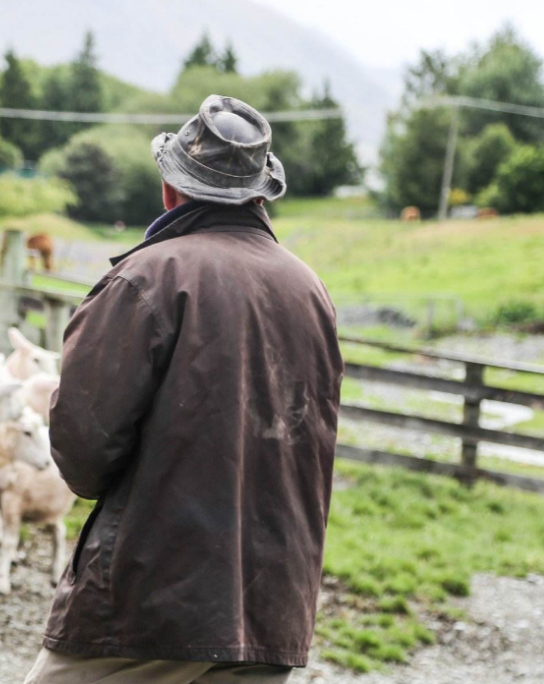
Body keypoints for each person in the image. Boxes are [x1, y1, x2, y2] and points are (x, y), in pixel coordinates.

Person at [24, 95, 344, 684]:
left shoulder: (146, 277)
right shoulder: (310, 290)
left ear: (172, 189)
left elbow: (84, 454)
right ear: (259, 194)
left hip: (154, 600)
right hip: (273, 606)